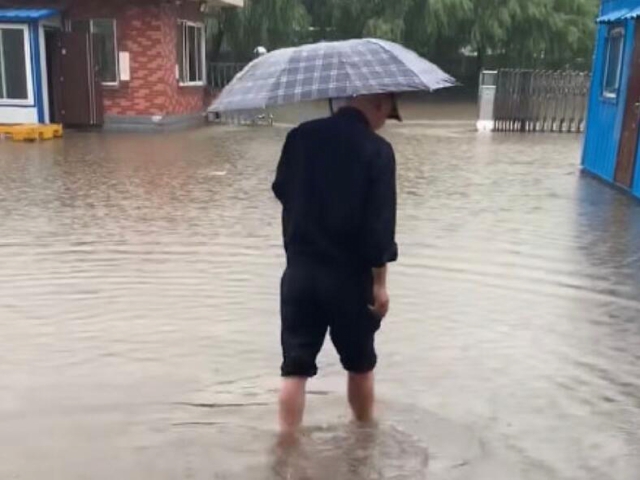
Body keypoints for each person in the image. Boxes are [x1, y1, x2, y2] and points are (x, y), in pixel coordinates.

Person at [272, 93, 400, 436]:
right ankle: (363, 440)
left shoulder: (299, 136)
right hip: (350, 279)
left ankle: (285, 452)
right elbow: (380, 228)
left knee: (294, 370)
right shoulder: (378, 151)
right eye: (388, 113)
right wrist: (380, 285)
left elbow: (281, 189)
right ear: (379, 105)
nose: (384, 122)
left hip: (299, 274)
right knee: (360, 365)